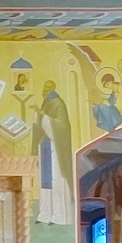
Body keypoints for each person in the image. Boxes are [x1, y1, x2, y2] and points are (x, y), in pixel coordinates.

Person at [32, 80, 74, 226]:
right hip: (45, 146)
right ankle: (45, 214)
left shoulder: (58, 103)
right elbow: (41, 122)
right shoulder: (46, 102)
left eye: (48, 87)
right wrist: (38, 115)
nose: (45, 89)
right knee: (45, 182)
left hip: (56, 148)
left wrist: (44, 117)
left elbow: (62, 126)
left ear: (53, 88)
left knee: (56, 180)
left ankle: (59, 216)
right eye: (45, 87)